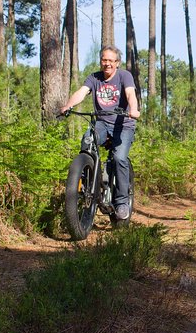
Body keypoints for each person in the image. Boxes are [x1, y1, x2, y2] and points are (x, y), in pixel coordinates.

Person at [60, 45, 140, 223]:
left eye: (111, 61)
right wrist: (68, 105)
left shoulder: (124, 76)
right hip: (102, 122)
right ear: (101, 61)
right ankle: (85, 180)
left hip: (123, 124)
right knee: (88, 140)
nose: (107, 64)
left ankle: (121, 203)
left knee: (119, 159)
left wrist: (133, 109)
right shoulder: (94, 78)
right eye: (104, 60)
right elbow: (81, 92)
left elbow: (130, 93)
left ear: (117, 63)